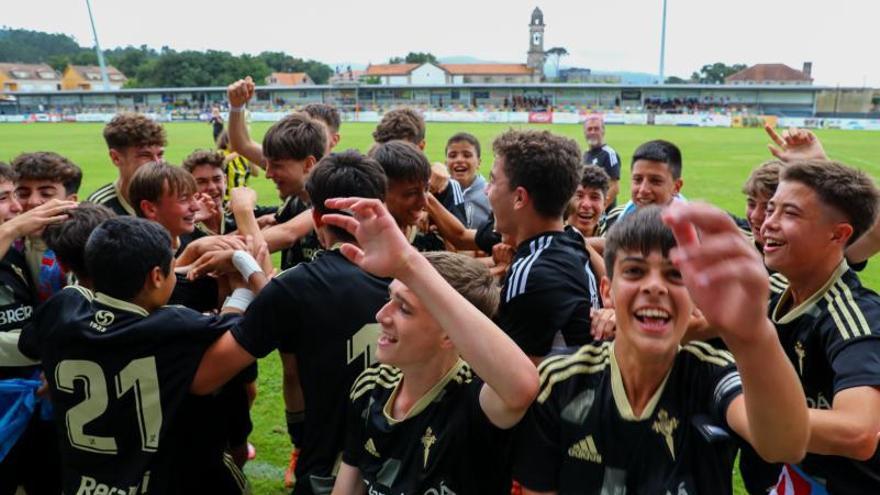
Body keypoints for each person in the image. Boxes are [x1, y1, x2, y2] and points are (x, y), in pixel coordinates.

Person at [513, 205, 809, 494]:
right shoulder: (560, 380)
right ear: (607, 292)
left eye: (676, 275)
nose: (654, 286)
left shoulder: (712, 375)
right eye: (634, 271)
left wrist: (754, 335)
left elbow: (785, 445)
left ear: (696, 294)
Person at [181, 150, 390, 495]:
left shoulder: (298, 287)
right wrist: (245, 263)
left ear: (317, 220)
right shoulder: (423, 277)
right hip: (406, 462)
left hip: (328, 468)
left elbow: (206, 378)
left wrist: (239, 289)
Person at [17, 216, 266, 494]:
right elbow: (257, 319)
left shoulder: (64, 306)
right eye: (173, 268)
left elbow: (30, 344)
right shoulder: (174, 327)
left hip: (81, 484)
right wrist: (245, 270)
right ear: (156, 276)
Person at [321, 197, 538, 494]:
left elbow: (522, 386)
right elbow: (350, 484)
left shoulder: (474, 400)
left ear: (450, 333)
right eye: (390, 298)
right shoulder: (371, 386)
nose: (381, 316)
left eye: (405, 308)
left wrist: (409, 264)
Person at [741, 160, 880, 494]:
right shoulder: (776, 289)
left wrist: (749, 413)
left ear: (839, 234)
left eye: (789, 214)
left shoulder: (853, 318)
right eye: (770, 209)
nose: (767, 223)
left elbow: (859, 433)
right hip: (801, 475)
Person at [486, 129, 598, 361]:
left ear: (519, 198)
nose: (487, 191)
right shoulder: (573, 239)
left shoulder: (533, 273)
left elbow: (514, 384)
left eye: (493, 180)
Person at [0, 163, 75, 495]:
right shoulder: (11, 238)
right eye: (7, 197)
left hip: (31, 398)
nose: (20, 207)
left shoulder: (17, 251)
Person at [11, 151, 82, 301]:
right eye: (23, 194)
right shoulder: (8, 240)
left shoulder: (81, 248)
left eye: (46, 194)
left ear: (71, 201)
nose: (33, 202)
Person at [86, 113, 166, 216]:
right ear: (116, 158)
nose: (157, 163)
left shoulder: (172, 200)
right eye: (145, 155)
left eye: (160, 155)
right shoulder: (98, 208)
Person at [602, 140, 684, 235]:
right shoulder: (616, 217)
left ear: (676, 187)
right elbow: (608, 245)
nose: (643, 190)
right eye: (637, 179)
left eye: (655, 181)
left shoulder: (694, 232)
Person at [445, 132, 491, 229]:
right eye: (452, 156)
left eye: (467, 155)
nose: (459, 160)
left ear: (479, 162)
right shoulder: (438, 192)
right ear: (446, 163)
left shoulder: (490, 194)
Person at [582, 115, 622, 211]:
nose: (593, 132)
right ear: (585, 132)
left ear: (603, 131)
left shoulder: (609, 154)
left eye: (596, 129)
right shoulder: (584, 155)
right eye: (589, 129)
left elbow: (614, 187)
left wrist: (600, 208)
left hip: (603, 216)